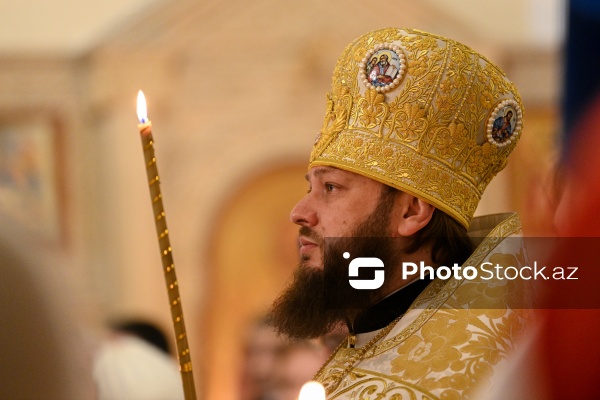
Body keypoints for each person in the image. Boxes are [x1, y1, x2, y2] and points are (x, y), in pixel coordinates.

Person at [268, 28, 532, 399]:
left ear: (411, 211)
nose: (299, 212)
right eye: (309, 187)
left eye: (331, 188)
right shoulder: (373, 337)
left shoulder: (482, 375)